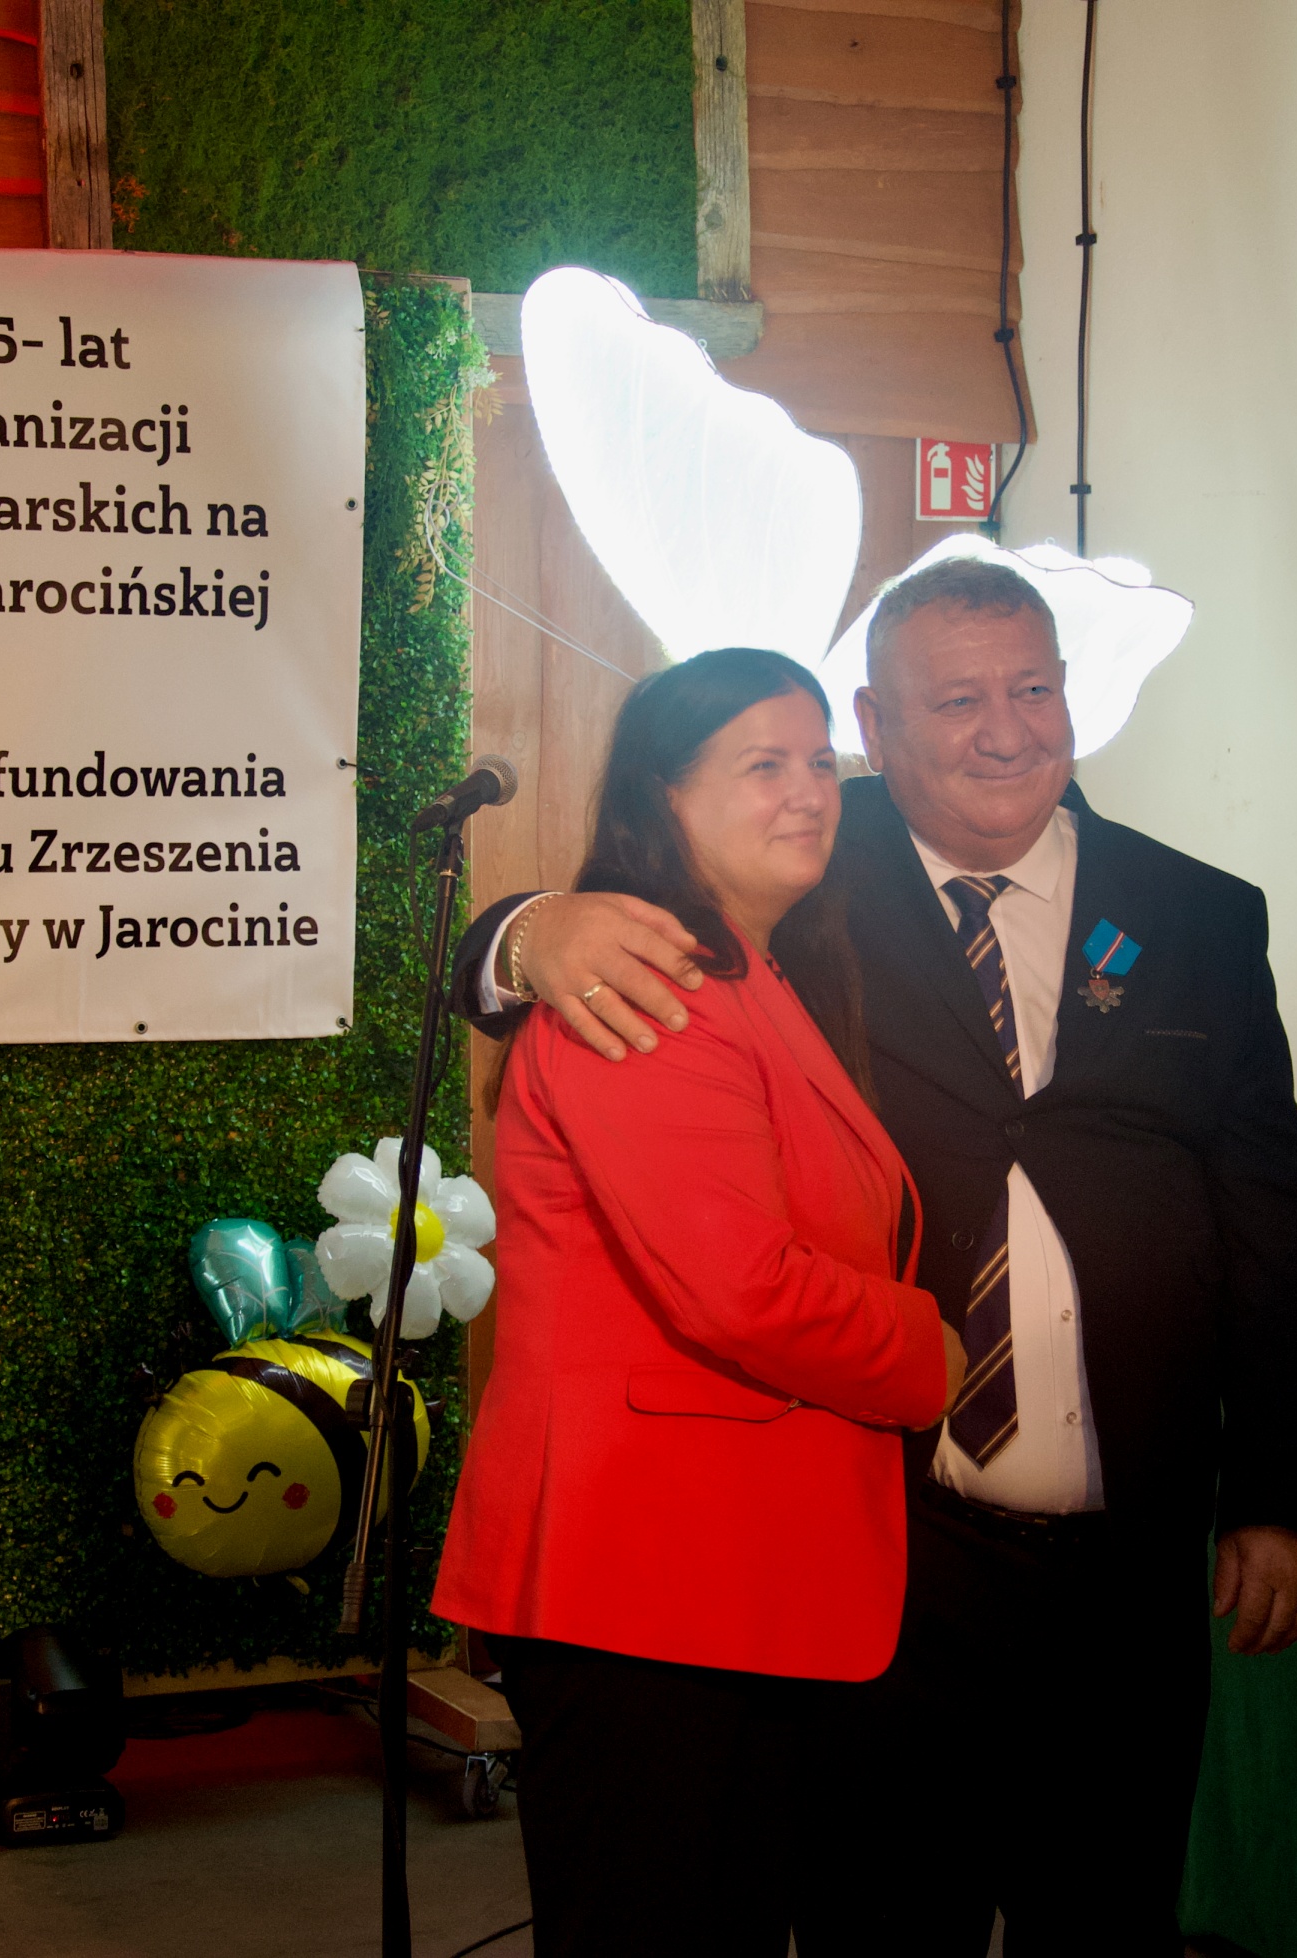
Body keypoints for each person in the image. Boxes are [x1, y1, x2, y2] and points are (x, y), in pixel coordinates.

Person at [454, 559, 1297, 1956]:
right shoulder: (804, 862)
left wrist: (1283, 1490)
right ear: (877, 725)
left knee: (1103, 1915)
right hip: (887, 1545)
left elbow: (1268, 1219)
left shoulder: (1200, 916)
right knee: (868, 1916)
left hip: (1125, 1551)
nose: (1005, 730)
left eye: (1032, 689)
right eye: (957, 700)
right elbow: (599, 930)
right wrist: (522, 931)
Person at [432, 648, 963, 1957]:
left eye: (818, 760)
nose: (808, 791)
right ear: (661, 797)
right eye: (760, 764)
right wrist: (929, 1354)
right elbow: (738, 1290)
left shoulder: (758, 970)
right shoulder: (648, 979)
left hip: (722, 1569)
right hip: (647, 1570)